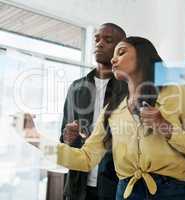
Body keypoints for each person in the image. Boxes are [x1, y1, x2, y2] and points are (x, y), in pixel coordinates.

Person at [57, 36, 185, 200]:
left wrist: (165, 127)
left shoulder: (177, 94)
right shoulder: (111, 109)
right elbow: (86, 158)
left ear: (143, 56)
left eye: (121, 52)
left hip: (174, 192)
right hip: (127, 193)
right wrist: (37, 140)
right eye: (114, 55)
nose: (113, 59)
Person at [60, 23, 127, 200]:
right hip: (78, 187)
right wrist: (68, 136)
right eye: (97, 39)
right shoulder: (76, 87)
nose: (99, 43)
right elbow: (64, 137)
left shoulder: (129, 89)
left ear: (121, 48)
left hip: (115, 186)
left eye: (108, 40)